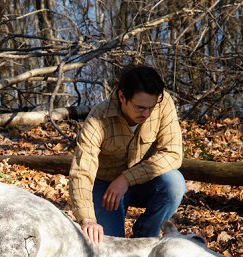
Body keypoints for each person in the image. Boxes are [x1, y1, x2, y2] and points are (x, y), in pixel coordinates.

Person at [69, 64, 186, 244]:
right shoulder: (97, 118)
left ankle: (146, 234)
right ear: (122, 96)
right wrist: (88, 219)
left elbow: (173, 153)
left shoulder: (163, 103)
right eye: (140, 107)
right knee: (113, 245)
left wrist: (126, 178)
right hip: (106, 188)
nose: (146, 113)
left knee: (174, 183)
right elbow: (82, 171)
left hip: (145, 181)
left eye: (151, 107)